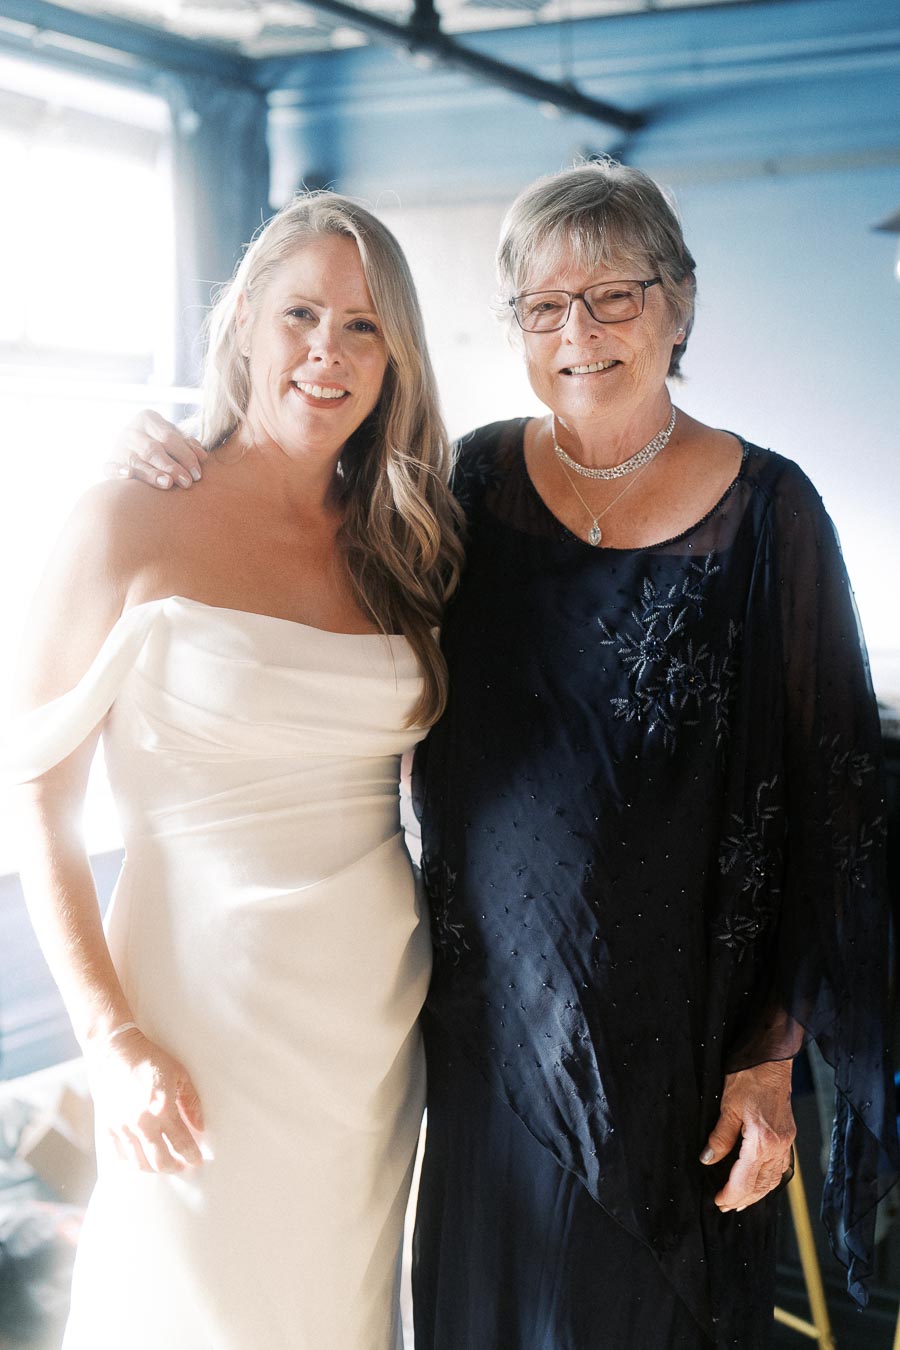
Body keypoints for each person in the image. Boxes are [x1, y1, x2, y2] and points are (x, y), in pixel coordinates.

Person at [106, 161, 898, 1349]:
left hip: (684, 1056)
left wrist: (773, 1059)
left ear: (678, 307)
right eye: (542, 306)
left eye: (614, 297)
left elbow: (838, 811)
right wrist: (156, 438)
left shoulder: (772, 515)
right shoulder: (466, 485)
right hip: (484, 1034)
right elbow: (300, 520)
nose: (576, 332)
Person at [4, 191, 462, 1350]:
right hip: (193, 1029)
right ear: (244, 324)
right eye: (301, 312)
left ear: (395, 355)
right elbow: (34, 801)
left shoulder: (407, 539)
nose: (328, 351)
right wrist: (110, 1043)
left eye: (364, 326)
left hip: (370, 1035)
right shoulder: (126, 518)